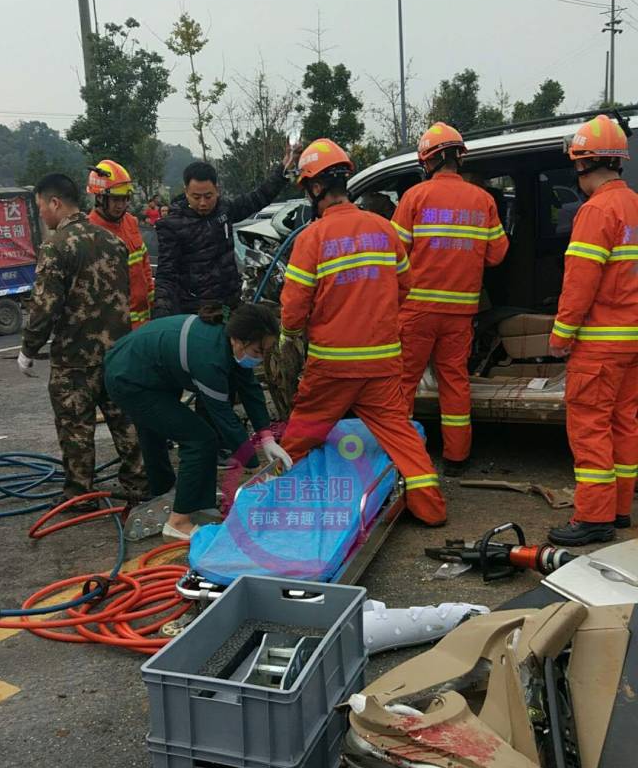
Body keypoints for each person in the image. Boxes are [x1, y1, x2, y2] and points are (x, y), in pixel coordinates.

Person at [278, 138, 446, 527]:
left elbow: (295, 305)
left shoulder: (311, 238)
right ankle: (432, 510)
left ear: (316, 188)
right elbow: (406, 287)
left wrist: (290, 333)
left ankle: (274, 499)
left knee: (302, 433)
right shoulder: (384, 230)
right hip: (383, 363)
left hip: (332, 367)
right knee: (401, 438)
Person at [105, 303, 291, 541]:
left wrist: (266, 437)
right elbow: (223, 417)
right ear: (238, 340)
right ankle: (178, 522)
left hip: (152, 372)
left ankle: (179, 498)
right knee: (200, 438)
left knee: (158, 434)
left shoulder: (232, 343)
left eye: (266, 351)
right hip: (128, 378)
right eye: (258, 352)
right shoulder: (209, 358)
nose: (261, 358)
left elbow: (250, 388)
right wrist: (255, 467)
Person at [17, 173, 148, 505]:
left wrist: (28, 348)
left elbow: (45, 307)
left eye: (42, 207)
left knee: (76, 428)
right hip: (117, 352)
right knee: (126, 422)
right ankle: (140, 485)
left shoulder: (57, 246)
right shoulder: (113, 242)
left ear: (55, 203)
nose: (42, 214)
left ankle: (80, 495)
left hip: (75, 358)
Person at [391, 122, 509, 475]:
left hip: (416, 310)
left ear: (428, 161)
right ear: (458, 158)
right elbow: (498, 254)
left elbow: (395, 253)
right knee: (454, 382)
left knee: (404, 383)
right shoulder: (483, 200)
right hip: (460, 312)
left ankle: (402, 455)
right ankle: (457, 457)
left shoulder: (414, 197)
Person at [547, 114, 638, 546]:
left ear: (583, 165)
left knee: (590, 428)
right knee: (624, 423)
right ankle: (620, 509)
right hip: (632, 342)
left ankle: (594, 518)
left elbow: (579, 282)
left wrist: (561, 336)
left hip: (600, 345)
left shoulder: (596, 211)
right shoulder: (635, 205)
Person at [153, 142, 302, 318]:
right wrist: (162, 317)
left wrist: (284, 169)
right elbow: (166, 277)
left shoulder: (224, 210)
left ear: (217, 189)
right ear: (186, 192)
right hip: (197, 313)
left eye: (208, 196)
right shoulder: (172, 225)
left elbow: (259, 196)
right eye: (196, 197)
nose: (203, 203)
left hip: (230, 306)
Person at [86, 159, 155, 329]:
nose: (121, 205)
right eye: (116, 199)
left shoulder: (130, 222)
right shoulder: (89, 231)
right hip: (114, 326)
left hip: (144, 320)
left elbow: (144, 264)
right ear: (100, 197)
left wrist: (154, 302)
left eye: (125, 199)